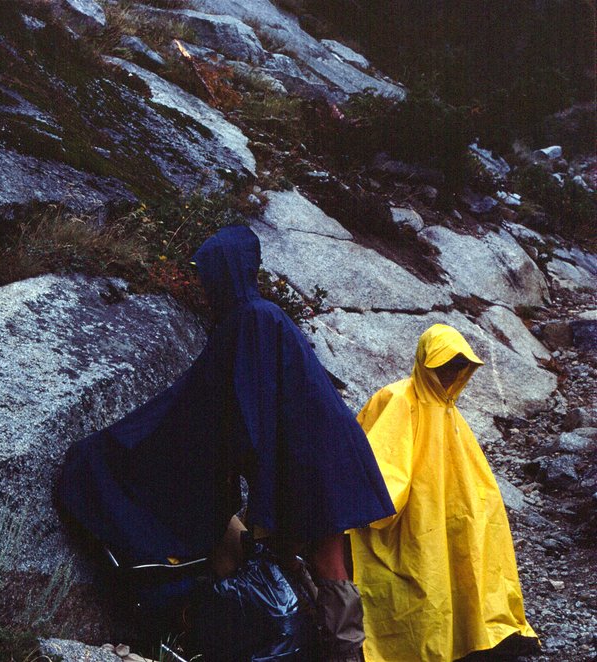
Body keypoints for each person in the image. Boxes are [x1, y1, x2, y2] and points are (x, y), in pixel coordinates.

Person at [56, 225, 395, 661]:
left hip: (315, 462)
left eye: (209, 274)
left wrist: (133, 441)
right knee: (306, 560)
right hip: (320, 455)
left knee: (328, 563)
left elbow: (224, 405)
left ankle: (345, 655)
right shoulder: (262, 315)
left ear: (227, 273)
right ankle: (320, 646)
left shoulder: (249, 320)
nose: (204, 284)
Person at [348, 324, 538, 661]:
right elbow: (382, 464)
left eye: (457, 366)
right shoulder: (397, 399)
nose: (451, 374)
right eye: (444, 365)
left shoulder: (449, 410)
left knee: (462, 574)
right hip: (413, 518)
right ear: (426, 363)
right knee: (423, 585)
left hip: (448, 518)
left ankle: (472, 638)